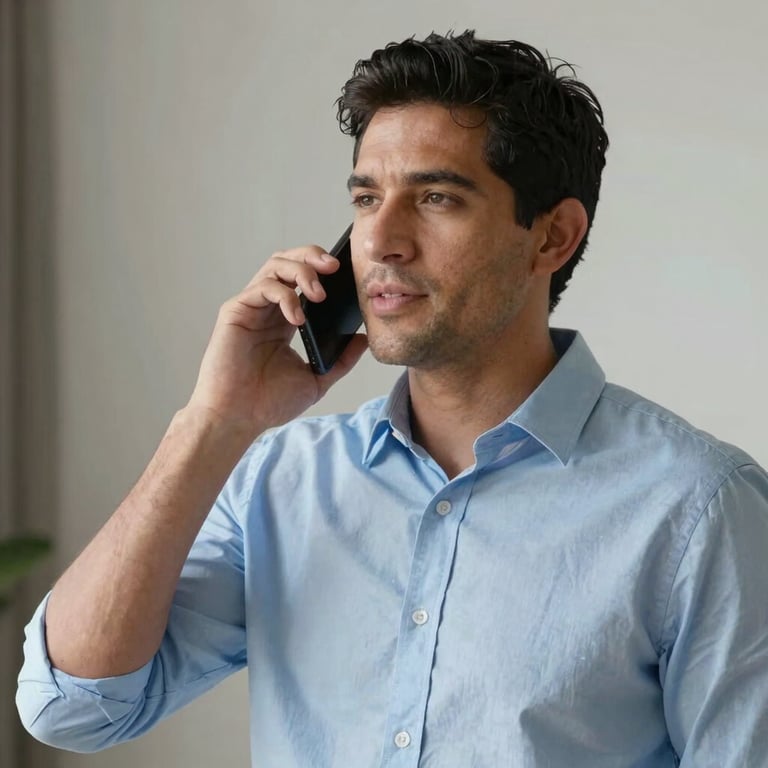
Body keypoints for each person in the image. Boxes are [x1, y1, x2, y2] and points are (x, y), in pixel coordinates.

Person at [16, 30, 768, 767]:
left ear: (552, 237)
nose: (381, 240)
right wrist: (214, 422)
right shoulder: (283, 481)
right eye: (366, 197)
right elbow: (71, 708)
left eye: (437, 197)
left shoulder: (699, 506)